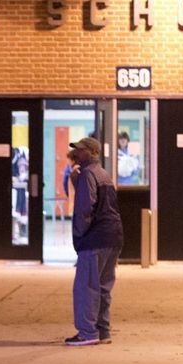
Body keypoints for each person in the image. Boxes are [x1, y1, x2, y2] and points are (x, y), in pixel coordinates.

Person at [65, 137, 124, 346]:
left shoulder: (87, 174)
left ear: (91, 152)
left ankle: (87, 333)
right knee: (103, 286)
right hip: (113, 236)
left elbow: (84, 209)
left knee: (86, 286)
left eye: (80, 150)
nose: (76, 154)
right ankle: (103, 330)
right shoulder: (104, 174)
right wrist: (75, 182)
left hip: (95, 238)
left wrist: (80, 236)